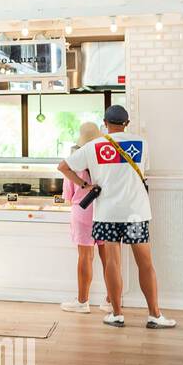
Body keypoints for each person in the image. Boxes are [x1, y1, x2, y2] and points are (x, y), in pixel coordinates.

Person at [58, 105, 176, 329]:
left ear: (105, 123)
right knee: (145, 263)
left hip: (107, 214)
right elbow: (143, 170)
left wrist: (84, 185)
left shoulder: (94, 146)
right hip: (135, 213)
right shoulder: (141, 143)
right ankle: (154, 315)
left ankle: (116, 314)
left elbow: (63, 167)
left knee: (112, 262)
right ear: (127, 124)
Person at [60, 121, 104, 314]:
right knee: (110, 258)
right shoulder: (104, 160)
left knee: (85, 257)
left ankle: (82, 302)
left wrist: (83, 186)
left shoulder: (74, 161)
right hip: (104, 211)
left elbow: (68, 196)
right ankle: (111, 301)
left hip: (83, 211)